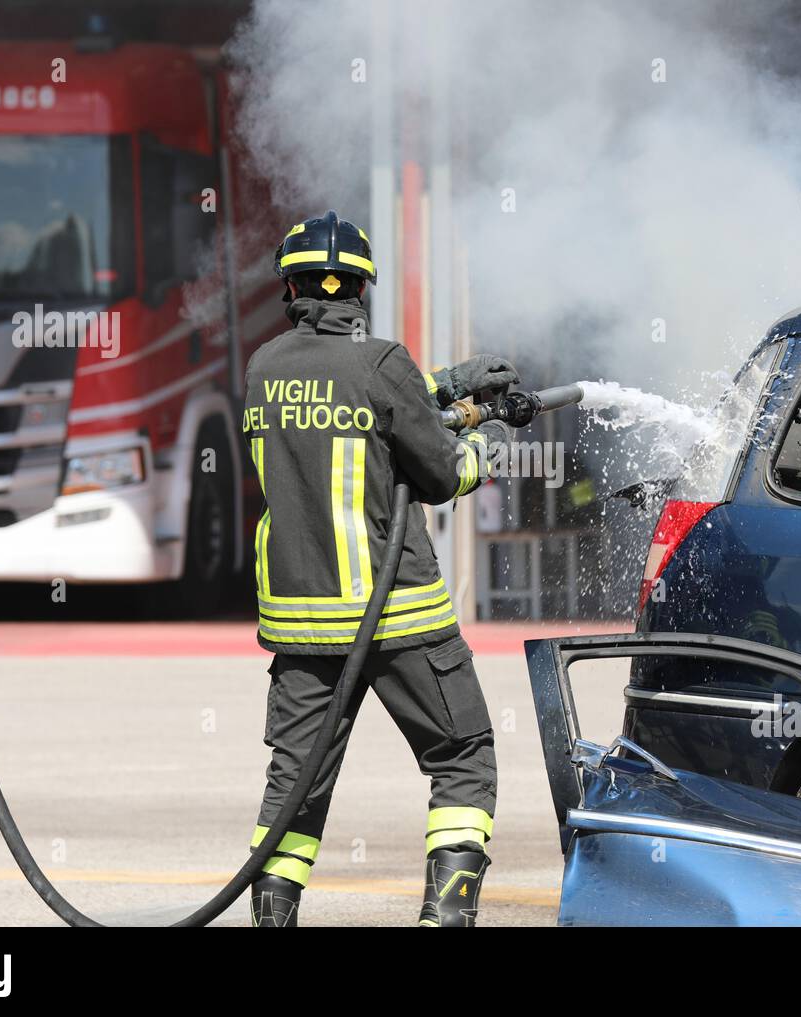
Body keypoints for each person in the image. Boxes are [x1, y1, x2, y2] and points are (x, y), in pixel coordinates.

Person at [244, 210, 517, 927]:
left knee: (294, 791)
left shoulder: (262, 368)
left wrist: (447, 384)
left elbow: (351, 398)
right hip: (401, 620)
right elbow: (436, 473)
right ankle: (445, 917)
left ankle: (271, 920)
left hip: (302, 629)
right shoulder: (382, 361)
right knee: (463, 755)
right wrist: (482, 448)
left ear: (292, 286)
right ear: (360, 288)